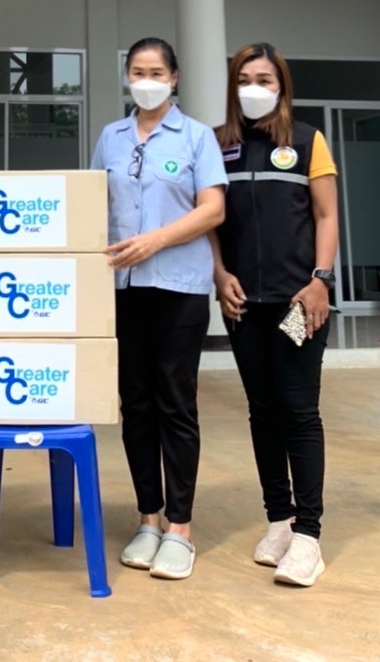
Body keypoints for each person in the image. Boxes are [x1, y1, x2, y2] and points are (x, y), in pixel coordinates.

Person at [90, 37, 226, 581]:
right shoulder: (112, 137)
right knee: (137, 404)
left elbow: (212, 210)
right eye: (137, 72)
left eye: (156, 73)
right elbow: (93, 204)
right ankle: (148, 518)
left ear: (174, 78)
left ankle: (180, 528)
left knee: (175, 403)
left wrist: (155, 241)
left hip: (179, 287)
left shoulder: (196, 136)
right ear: (127, 77)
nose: (146, 81)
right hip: (123, 288)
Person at [213, 41, 340, 589]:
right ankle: (279, 521)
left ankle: (309, 536)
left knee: (298, 411)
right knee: (262, 411)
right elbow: (211, 220)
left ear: (281, 86)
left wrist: (320, 281)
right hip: (244, 306)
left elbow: (326, 215)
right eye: (245, 80)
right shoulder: (218, 145)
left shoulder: (308, 141)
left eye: (264, 80)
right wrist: (220, 275)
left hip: (296, 304)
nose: (254, 89)